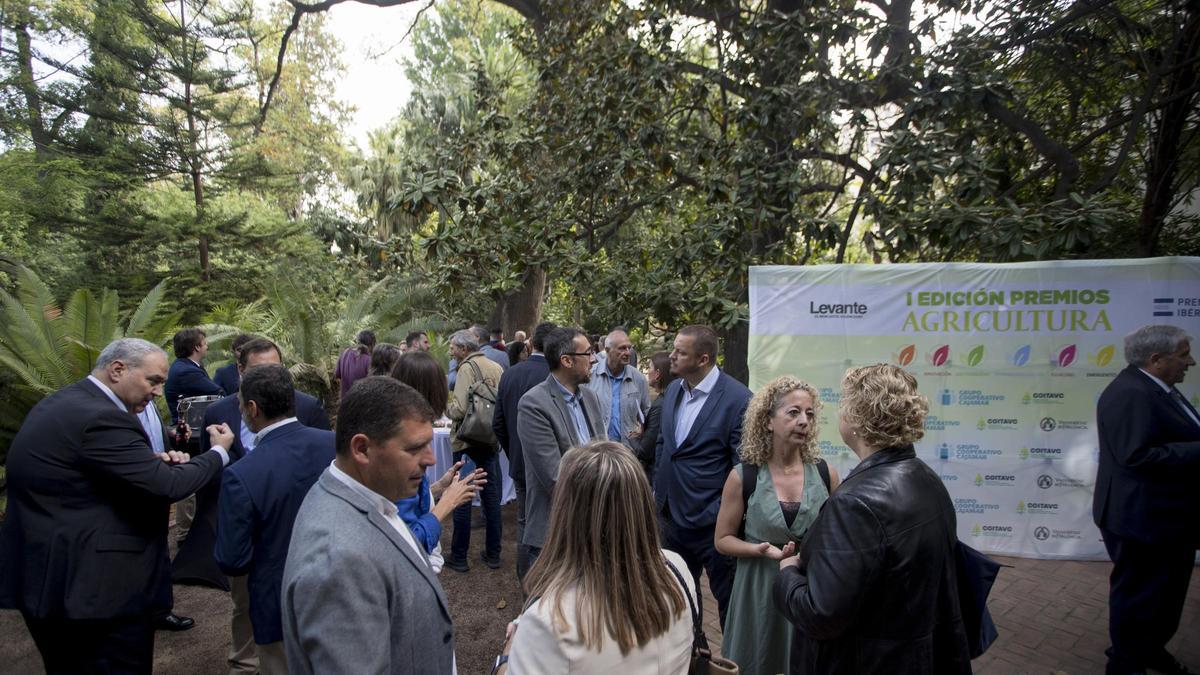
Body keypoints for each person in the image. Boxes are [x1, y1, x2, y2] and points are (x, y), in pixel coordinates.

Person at [0, 338, 235, 674]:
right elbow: (169, 486)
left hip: (47, 574)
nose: (157, 392)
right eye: (153, 381)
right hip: (92, 591)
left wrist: (144, 463)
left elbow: (76, 472)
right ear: (117, 369)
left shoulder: (65, 402)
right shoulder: (103, 418)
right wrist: (218, 452)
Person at [773, 364, 970, 674]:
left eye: (843, 405)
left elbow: (821, 614)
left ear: (856, 418)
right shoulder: (926, 479)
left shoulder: (854, 503)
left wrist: (787, 574)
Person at [282, 376, 454, 673]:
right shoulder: (338, 561)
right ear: (361, 449)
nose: (430, 458)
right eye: (415, 448)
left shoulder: (369, 494)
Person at [181, 337, 332, 675]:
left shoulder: (309, 408)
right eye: (260, 371)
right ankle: (244, 665)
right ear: (240, 372)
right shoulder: (219, 412)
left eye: (275, 370)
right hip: (249, 536)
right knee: (246, 610)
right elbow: (212, 477)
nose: (270, 378)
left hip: (284, 548)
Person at [506, 441, 695, 674]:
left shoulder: (550, 623)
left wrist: (507, 654)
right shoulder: (678, 571)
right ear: (642, 505)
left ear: (566, 514)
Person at [214, 364, 336, 675]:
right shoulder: (334, 444)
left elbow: (232, 559)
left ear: (252, 408)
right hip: (339, 588)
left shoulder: (241, 475)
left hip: (281, 605)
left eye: (241, 404)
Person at [715, 377, 839, 675]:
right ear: (768, 421)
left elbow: (839, 539)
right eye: (793, 412)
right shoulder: (743, 476)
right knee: (755, 661)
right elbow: (722, 540)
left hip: (808, 591)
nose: (804, 421)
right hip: (757, 590)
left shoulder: (826, 474)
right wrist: (756, 549)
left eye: (809, 414)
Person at [1094, 325, 1200, 675]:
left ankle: (1149, 651)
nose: (1191, 362)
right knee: (1139, 600)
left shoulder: (1160, 389)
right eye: (1183, 355)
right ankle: (1125, 665)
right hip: (1141, 521)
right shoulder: (1130, 393)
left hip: (1168, 519)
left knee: (1165, 600)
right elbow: (1135, 456)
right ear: (1156, 359)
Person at [654, 324, 751, 627]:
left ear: (703, 359)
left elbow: (743, 467)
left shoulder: (738, 399)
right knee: (677, 601)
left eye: (680, 352)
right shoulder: (673, 390)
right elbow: (664, 444)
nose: (671, 356)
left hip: (713, 526)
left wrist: (722, 514)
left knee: (728, 604)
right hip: (671, 520)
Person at [518, 327, 607, 566]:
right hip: (556, 532)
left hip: (595, 525)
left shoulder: (590, 397)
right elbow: (556, 478)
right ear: (567, 360)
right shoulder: (534, 404)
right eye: (588, 353)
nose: (595, 359)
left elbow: (605, 453)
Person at [390, 351, 485, 572]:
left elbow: (408, 503)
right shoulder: (395, 447)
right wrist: (446, 504)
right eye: (417, 448)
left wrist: (441, 486)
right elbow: (406, 543)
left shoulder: (401, 434)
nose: (431, 459)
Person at [494, 322, 557, 582]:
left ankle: (526, 576)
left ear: (531, 343)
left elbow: (498, 423)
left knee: (524, 519)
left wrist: (513, 452)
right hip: (552, 464)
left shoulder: (510, 373)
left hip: (520, 461)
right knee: (552, 520)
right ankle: (547, 577)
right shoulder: (556, 377)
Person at [446, 328, 505, 572]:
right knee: (491, 497)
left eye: (452, 348)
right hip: (489, 441)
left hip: (467, 441)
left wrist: (445, 406)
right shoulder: (497, 368)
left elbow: (459, 410)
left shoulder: (466, 369)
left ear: (463, 349)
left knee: (463, 496)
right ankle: (493, 553)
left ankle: (459, 556)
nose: (450, 352)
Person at [585, 328, 650, 452]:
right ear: (608, 350)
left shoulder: (638, 378)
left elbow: (647, 412)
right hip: (597, 451)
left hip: (627, 451)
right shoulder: (590, 376)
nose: (627, 352)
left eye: (629, 348)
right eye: (622, 348)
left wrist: (642, 430)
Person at [165, 327, 224, 425]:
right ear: (197, 347)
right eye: (204, 343)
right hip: (190, 429)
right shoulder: (187, 372)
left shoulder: (185, 365)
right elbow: (218, 393)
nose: (207, 346)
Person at [637, 351, 673, 480]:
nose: (647, 371)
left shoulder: (660, 405)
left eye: (650, 367)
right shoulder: (670, 399)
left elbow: (646, 448)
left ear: (658, 374)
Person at [334, 329, 375, 399]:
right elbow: (372, 385)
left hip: (345, 400)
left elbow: (337, 375)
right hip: (360, 402)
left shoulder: (345, 352)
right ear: (372, 344)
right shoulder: (369, 360)